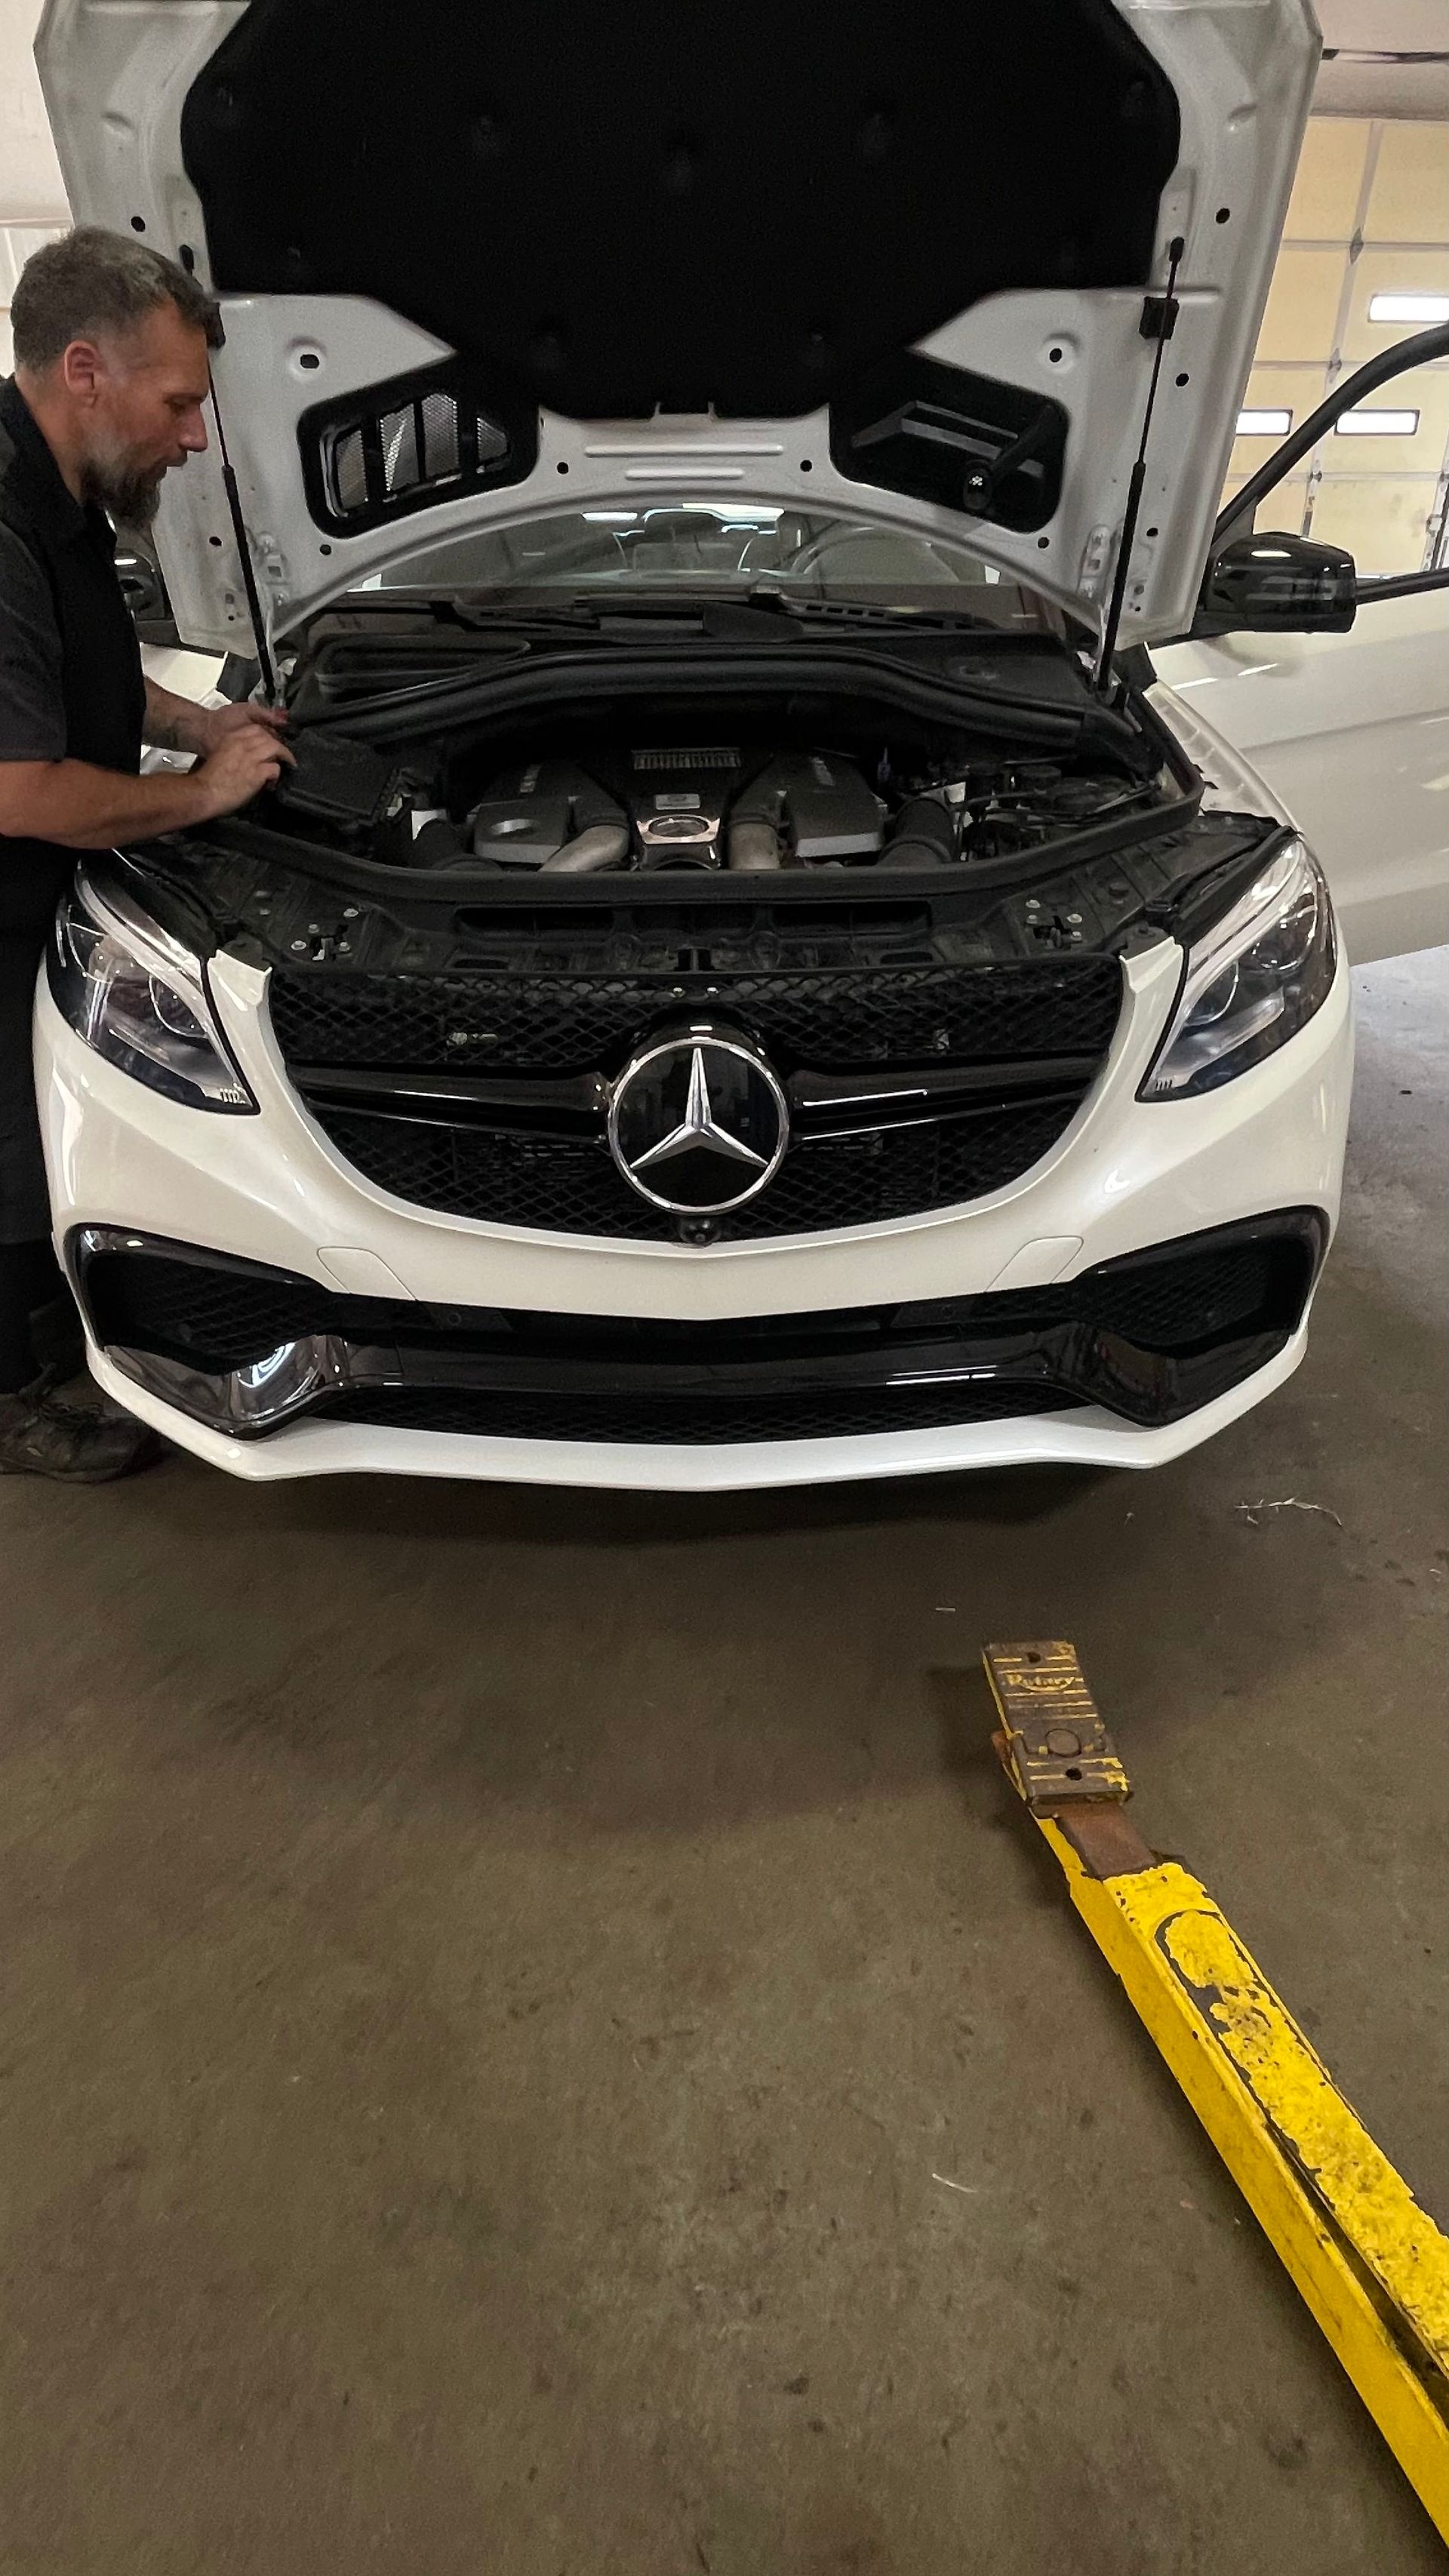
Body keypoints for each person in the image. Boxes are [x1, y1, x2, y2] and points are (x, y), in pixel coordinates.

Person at [0, 227, 291, 1480]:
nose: (191, 437)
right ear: (85, 371)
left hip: (27, 889)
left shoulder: (56, 498)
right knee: (8, 1143)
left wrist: (199, 726)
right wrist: (199, 797)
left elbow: (89, 684)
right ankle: (13, 1395)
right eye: (177, 403)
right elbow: (25, 787)